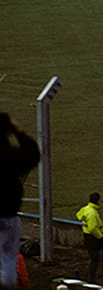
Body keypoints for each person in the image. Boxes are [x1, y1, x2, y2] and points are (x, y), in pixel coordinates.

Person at [1, 114, 40, 290]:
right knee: (9, 257)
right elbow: (33, 155)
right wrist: (19, 132)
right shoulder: (12, 156)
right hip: (8, 213)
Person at [75, 192, 103, 282]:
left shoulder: (86, 209)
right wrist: (100, 236)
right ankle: (90, 278)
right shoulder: (93, 213)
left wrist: (84, 222)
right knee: (94, 259)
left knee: (93, 258)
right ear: (97, 201)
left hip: (87, 236)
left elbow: (78, 215)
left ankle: (89, 276)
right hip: (93, 238)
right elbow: (93, 228)